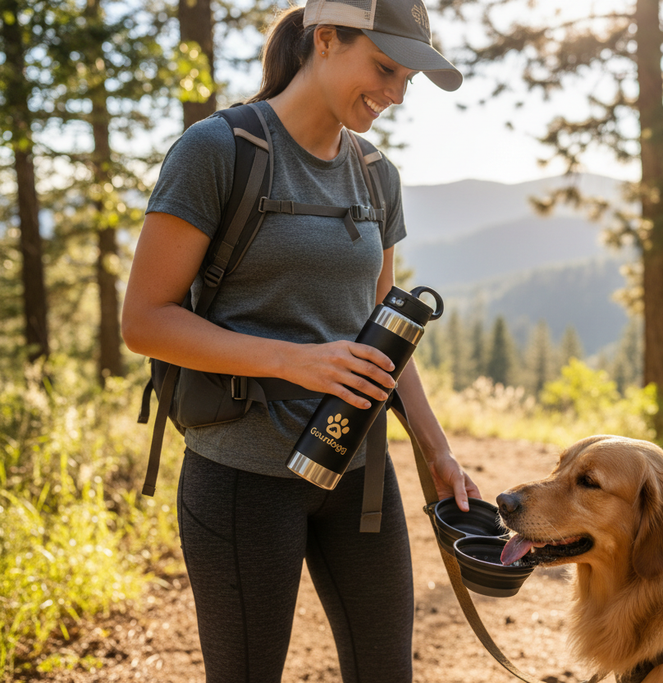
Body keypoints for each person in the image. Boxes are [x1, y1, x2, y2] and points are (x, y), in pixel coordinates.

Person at [121, 1, 480, 681]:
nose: (397, 93)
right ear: (325, 39)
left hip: (360, 474)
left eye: (409, 79)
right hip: (241, 477)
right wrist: (295, 361)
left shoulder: (377, 174)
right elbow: (144, 320)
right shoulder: (218, 151)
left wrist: (439, 454)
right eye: (384, 68)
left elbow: (384, 334)